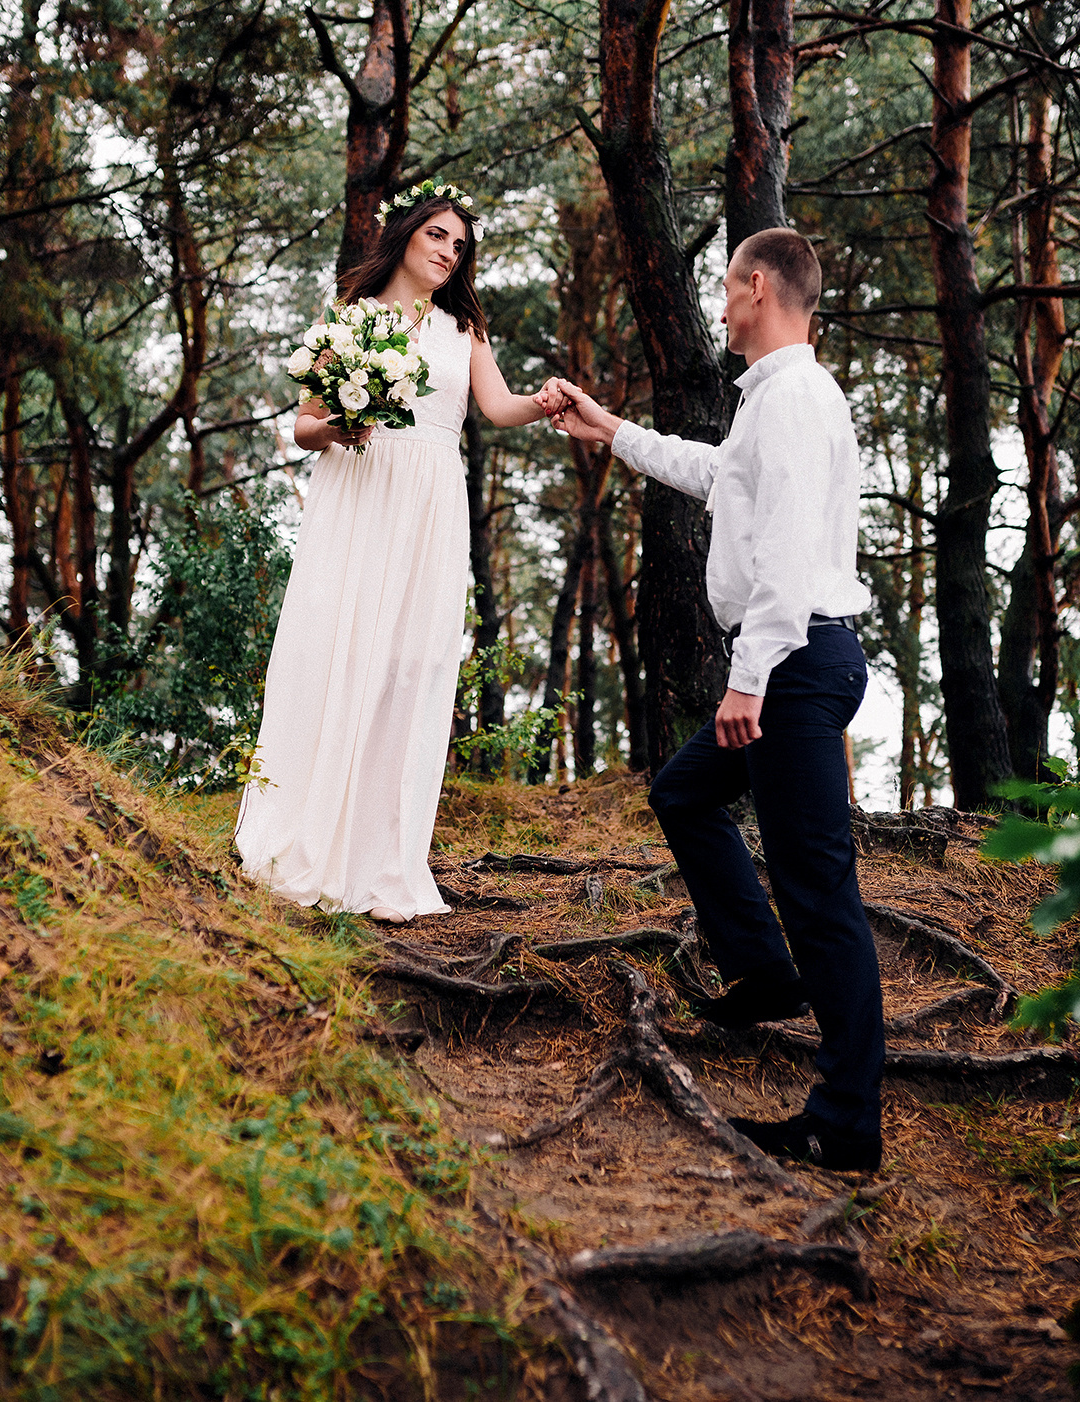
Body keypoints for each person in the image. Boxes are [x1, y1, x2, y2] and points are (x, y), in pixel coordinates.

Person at [539, 228, 884, 1172]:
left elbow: (780, 552)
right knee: (684, 794)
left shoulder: (797, 401)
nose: (719, 301)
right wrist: (611, 430)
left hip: (795, 664)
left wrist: (748, 677)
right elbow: (714, 476)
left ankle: (847, 1121)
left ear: (758, 287)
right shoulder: (770, 402)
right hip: (796, 661)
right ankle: (764, 971)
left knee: (820, 893)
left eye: (727, 286)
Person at [236, 181, 554, 925]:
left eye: (459, 245)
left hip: (433, 501)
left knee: (413, 664)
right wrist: (342, 428)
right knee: (342, 649)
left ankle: (384, 861)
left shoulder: (464, 328)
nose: (449, 252)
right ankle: (306, 838)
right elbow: (305, 425)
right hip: (363, 491)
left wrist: (544, 403)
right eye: (438, 236)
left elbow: (497, 407)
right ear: (408, 234)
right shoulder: (352, 318)